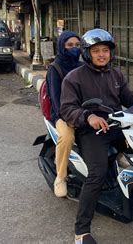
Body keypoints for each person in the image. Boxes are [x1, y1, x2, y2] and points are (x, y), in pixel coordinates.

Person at [59, 28, 133, 243]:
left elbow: (128, 97)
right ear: (87, 53)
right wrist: (88, 116)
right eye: (96, 50)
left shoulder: (116, 73)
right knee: (96, 174)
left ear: (111, 52)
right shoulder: (74, 78)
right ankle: (81, 231)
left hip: (118, 126)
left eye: (105, 50)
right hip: (93, 132)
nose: (101, 54)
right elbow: (67, 109)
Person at [46, 30, 82, 198]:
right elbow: (55, 98)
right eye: (69, 45)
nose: (74, 49)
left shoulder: (82, 66)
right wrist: (69, 116)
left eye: (77, 45)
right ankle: (60, 177)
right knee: (67, 137)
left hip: (83, 110)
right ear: (62, 46)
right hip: (62, 113)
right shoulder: (55, 68)